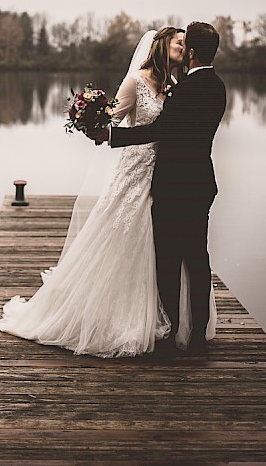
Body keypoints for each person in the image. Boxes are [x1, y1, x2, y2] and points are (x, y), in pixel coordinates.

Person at [0, 27, 193, 357]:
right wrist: (90, 119)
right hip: (134, 170)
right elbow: (111, 119)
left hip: (162, 172)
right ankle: (114, 315)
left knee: (156, 240)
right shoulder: (136, 82)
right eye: (179, 42)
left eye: (186, 44)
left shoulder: (173, 84)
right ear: (160, 46)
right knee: (125, 232)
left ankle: (157, 310)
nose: (184, 48)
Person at [91, 21, 226, 355]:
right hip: (202, 182)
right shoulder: (218, 87)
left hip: (173, 185)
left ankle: (170, 332)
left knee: (168, 259)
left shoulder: (184, 89)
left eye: (184, 46)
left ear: (192, 52)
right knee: (198, 258)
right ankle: (195, 336)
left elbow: (161, 129)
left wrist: (111, 136)